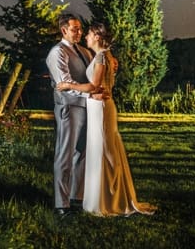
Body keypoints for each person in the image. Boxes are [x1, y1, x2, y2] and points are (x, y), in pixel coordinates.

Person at [56, 22, 156, 216]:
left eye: (90, 34)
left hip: (100, 108)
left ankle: (108, 199)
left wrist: (68, 85)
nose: (86, 36)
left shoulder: (102, 56)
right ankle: (105, 196)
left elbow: (94, 86)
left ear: (98, 38)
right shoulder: (104, 56)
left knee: (103, 149)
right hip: (99, 106)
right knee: (101, 149)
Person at [45, 13, 96, 216]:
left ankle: (77, 196)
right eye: (75, 29)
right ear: (64, 30)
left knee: (82, 153)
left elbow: (94, 75)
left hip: (88, 107)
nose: (79, 32)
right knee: (65, 154)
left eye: (80, 29)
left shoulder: (85, 51)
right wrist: (90, 91)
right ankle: (61, 204)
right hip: (69, 107)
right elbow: (64, 83)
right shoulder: (57, 52)